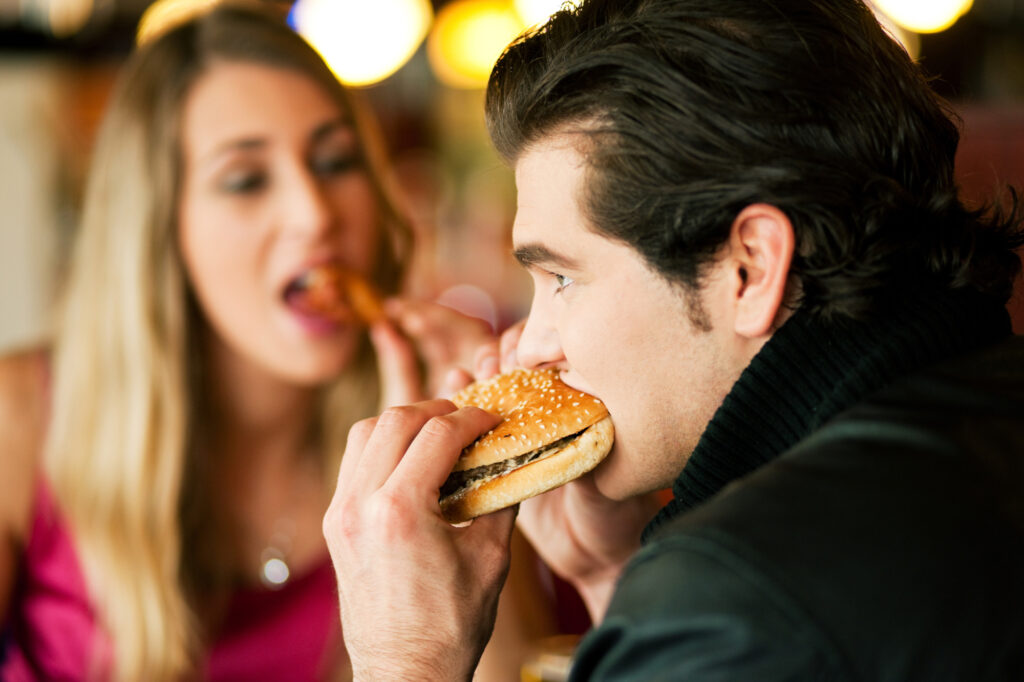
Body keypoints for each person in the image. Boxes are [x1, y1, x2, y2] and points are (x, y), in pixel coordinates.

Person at [322, 0, 1024, 679]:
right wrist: (615, 578)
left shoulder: (736, 594)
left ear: (750, 267)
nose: (532, 346)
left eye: (562, 277)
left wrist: (405, 659)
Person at [0, 3, 556, 680]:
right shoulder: (21, 419)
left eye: (335, 161)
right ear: (157, 231)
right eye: (245, 179)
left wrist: (464, 482)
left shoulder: (433, 430)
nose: (314, 212)